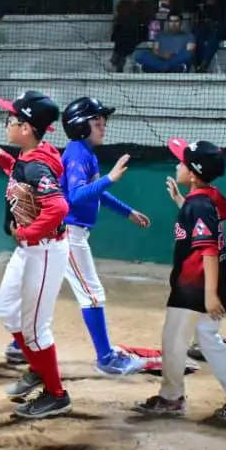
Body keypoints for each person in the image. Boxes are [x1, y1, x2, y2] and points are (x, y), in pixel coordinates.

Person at [134, 139, 226, 417]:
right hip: (211, 282)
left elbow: (207, 249)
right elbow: (203, 222)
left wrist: (208, 295)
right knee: (209, 339)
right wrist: (180, 200)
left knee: (173, 340)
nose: (177, 164)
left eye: (182, 162)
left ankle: (171, 398)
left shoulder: (198, 206)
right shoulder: (207, 198)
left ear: (194, 174)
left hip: (194, 286)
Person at [0, 91, 73, 419]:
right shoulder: (31, 155)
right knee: (6, 310)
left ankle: (56, 393)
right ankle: (38, 367)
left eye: (12, 120)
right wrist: (2, 158)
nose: (7, 123)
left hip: (43, 251)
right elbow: (25, 177)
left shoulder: (35, 164)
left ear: (28, 128)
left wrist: (29, 232)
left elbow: (58, 206)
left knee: (35, 329)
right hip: (30, 251)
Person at [52, 97, 151, 376]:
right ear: (80, 126)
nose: (103, 127)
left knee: (43, 292)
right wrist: (110, 178)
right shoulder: (78, 153)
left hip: (67, 232)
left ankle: (17, 345)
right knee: (92, 295)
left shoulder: (83, 151)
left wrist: (127, 211)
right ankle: (106, 359)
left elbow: (94, 191)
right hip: (69, 233)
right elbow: (75, 195)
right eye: (97, 122)